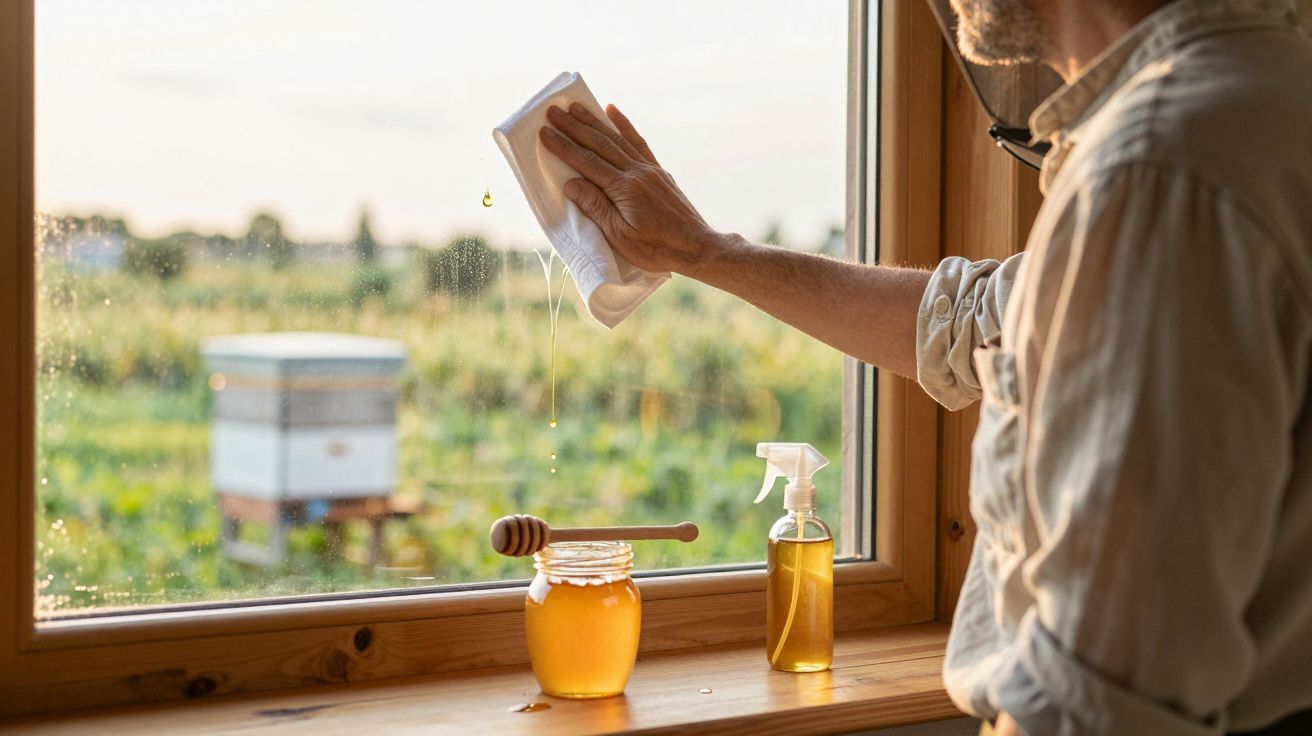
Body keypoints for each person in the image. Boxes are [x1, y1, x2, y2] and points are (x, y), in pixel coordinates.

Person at [540, 0, 1312, 733]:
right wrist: (708, 252)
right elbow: (980, 321)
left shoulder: (1160, 169)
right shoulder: (1260, 104)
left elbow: (1096, 707)